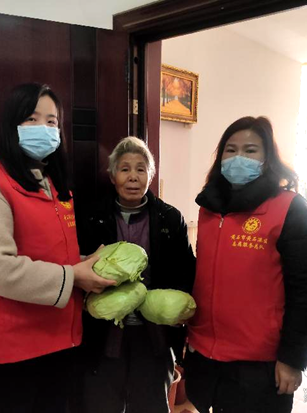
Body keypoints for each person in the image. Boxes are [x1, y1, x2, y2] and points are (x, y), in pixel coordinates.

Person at [0, 83, 115, 413]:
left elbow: (51, 256)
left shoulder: (52, 186)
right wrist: (74, 276)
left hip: (59, 347)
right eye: (31, 119)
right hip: (10, 360)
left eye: (52, 122)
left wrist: (89, 265)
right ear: (11, 125)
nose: (44, 128)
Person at [184, 116, 307, 412]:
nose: (239, 158)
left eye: (250, 151)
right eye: (230, 150)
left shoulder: (289, 208)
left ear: (267, 158)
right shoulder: (209, 208)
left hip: (260, 364)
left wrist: (293, 358)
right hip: (204, 355)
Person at [75, 136, 196, 413]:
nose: (133, 177)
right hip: (103, 335)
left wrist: (183, 314)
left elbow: (186, 270)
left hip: (154, 336)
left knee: (151, 405)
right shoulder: (91, 216)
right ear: (112, 176)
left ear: (150, 176)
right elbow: (75, 267)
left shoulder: (170, 218)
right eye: (124, 169)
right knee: (102, 405)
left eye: (141, 169)